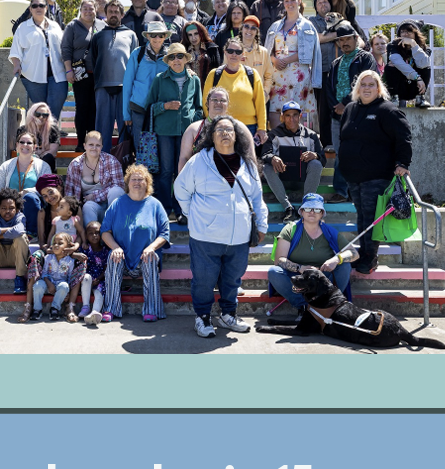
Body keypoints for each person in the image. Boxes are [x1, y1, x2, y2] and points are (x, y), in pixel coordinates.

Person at [174, 115, 268, 337]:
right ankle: (203, 318)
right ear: (211, 137)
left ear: (237, 136)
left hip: (239, 237)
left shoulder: (248, 164)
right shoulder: (198, 162)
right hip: (206, 236)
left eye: (229, 130)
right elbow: (181, 190)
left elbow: (257, 197)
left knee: (232, 279)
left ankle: (228, 315)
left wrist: (262, 224)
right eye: (219, 130)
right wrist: (194, 215)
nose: (225, 133)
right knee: (204, 280)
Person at [336, 69, 412, 275]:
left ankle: (370, 258)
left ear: (379, 88)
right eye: (363, 84)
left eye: (371, 84)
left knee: (371, 218)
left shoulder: (387, 110)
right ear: (357, 88)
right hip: (354, 175)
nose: (367, 88)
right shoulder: (350, 109)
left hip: (377, 175)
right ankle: (363, 254)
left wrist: (403, 163)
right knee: (361, 217)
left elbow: (404, 137)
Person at [267, 192, 358, 322]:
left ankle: (331, 305)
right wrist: (300, 268)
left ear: (322, 213)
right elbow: (279, 260)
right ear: (302, 211)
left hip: (323, 279)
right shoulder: (290, 229)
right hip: (299, 279)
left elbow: (354, 253)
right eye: (308, 208)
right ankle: (304, 307)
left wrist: (337, 259)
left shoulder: (329, 231)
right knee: (274, 272)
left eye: (316, 209)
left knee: (344, 265)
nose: (312, 212)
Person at [101, 164, 171, 322]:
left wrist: (152, 247)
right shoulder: (118, 204)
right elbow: (105, 231)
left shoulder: (155, 205)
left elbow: (165, 233)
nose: (137, 182)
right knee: (113, 256)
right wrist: (115, 247)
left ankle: (152, 309)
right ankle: (111, 308)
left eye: (141, 179)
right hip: (123, 257)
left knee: (151, 257)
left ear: (147, 183)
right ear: (128, 182)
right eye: (134, 179)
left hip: (144, 258)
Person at [146, 42, 204, 219]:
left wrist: (192, 121)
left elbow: (199, 108)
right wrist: (165, 106)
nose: (176, 60)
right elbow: (149, 107)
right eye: (172, 57)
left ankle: (181, 210)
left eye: (179, 56)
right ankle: (165, 208)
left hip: (186, 133)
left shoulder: (194, 79)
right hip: (164, 131)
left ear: (186, 59)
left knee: (183, 171)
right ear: (168, 61)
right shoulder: (159, 79)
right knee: (166, 170)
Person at [326, 23, 379, 201]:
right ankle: (341, 191)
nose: (344, 43)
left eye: (348, 38)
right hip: (337, 116)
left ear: (356, 39)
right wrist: (336, 107)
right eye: (341, 40)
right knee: (341, 154)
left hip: (359, 114)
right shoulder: (335, 63)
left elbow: (366, 85)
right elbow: (329, 89)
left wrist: (345, 104)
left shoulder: (366, 59)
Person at [264, 0, 322, 130]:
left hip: (299, 76)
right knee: (276, 110)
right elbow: (267, 51)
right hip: (278, 76)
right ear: (283, 3)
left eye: (293, 0)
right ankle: (278, 145)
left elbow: (311, 52)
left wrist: (288, 60)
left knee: (299, 113)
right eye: (286, 1)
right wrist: (274, 60)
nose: (290, 3)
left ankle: (301, 147)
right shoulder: (275, 26)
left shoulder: (307, 25)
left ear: (299, 1)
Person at [89, 0, 139, 149]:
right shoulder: (97, 36)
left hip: (124, 87)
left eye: (116, 12)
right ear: (105, 13)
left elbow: (135, 60)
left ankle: (122, 160)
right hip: (103, 86)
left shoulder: (131, 35)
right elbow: (93, 59)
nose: (113, 14)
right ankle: (102, 161)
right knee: (102, 128)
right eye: (110, 12)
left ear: (122, 14)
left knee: (125, 126)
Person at [262, 100, 325, 218]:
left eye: (295, 115)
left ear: (300, 116)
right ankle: (288, 207)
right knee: (267, 167)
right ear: (282, 117)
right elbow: (265, 154)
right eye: (288, 115)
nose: (292, 119)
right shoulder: (274, 134)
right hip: (281, 182)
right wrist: (272, 158)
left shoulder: (311, 135)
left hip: (304, 182)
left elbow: (323, 159)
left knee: (316, 164)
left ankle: (306, 204)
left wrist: (315, 155)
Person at [9, 0, 67, 120]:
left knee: (54, 109)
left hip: (57, 74)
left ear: (46, 8)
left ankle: (51, 134)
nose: (38, 8)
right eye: (34, 6)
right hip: (33, 76)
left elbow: (64, 48)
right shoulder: (23, 28)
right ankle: (42, 136)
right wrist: (16, 65)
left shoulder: (55, 26)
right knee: (40, 110)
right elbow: (15, 51)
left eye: (41, 5)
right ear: (30, 9)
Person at [203, 38, 268, 143]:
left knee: (247, 159)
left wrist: (262, 128)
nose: (234, 54)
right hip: (221, 126)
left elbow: (260, 103)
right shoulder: (214, 74)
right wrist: (212, 123)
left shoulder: (252, 74)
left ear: (242, 55)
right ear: (225, 52)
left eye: (238, 52)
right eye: (230, 51)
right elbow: (206, 103)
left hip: (248, 127)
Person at [61, 0, 104, 151]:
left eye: (91, 8)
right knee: (82, 108)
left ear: (96, 10)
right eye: (85, 8)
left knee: (95, 109)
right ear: (80, 10)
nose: (88, 11)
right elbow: (66, 48)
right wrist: (68, 70)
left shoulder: (101, 25)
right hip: (80, 74)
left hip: (98, 74)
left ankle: (92, 143)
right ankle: (80, 143)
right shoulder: (72, 26)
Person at [122, 19, 169, 153]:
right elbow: (127, 84)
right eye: (153, 35)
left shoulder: (170, 56)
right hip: (139, 108)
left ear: (165, 36)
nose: (157, 38)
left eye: (160, 35)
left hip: (162, 108)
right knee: (140, 148)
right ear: (147, 36)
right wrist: (126, 114)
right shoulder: (137, 54)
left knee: (161, 148)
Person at [0, 128, 47, 245]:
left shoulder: (43, 166)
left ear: (35, 147)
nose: (25, 145)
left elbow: (46, 188)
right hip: (9, 205)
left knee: (30, 198)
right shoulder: (5, 166)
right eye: (22, 142)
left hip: (33, 205)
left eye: (29, 143)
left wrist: (26, 192)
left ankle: (32, 234)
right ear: (17, 145)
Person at [63, 129, 125, 227]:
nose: (94, 148)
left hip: (110, 204)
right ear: (84, 146)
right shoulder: (75, 164)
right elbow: (69, 193)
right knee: (88, 206)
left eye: (98, 145)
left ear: (102, 147)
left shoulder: (111, 161)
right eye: (91, 144)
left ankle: (115, 231)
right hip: (90, 206)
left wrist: (94, 195)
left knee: (116, 191)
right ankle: (92, 238)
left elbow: (119, 186)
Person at [23, 232, 80, 322]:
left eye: (60, 243)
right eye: (54, 243)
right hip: (47, 282)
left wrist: (67, 292)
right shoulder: (48, 257)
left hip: (60, 283)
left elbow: (70, 277)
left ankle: (54, 308)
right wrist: (49, 283)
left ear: (68, 246)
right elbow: (44, 273)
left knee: (64, 286)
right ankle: (37, 309)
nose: (56, 245)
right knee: (37, 285)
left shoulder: (70, 261)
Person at [178, 85, 231, 170]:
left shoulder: (236, 129)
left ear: (227, 104)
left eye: (222, 100)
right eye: (214, 100)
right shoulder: (193, 129)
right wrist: (183, 182)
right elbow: (184, 158)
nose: (218, 103)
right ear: (207, 103)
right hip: (199, 179)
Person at [312, 0, 342, 147]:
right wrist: (337, 34)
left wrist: (335, 33)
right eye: (319, 3)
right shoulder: (312, 21)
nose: (323, 4)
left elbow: (351, 37)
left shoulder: (339, 18)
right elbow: (317, 38)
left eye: (325, 2)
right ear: (316, 7)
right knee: (323, 109)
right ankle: (326, 144)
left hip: (340, 70)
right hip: (322, 70)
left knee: (339, 106)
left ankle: (340, 142)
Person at [386, 22, 431, 108]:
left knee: (426, 67)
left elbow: (423, 63)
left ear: (415, 33)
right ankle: (394, 98)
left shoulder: (425, 48)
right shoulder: (393, 46)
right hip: (400, 85)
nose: (405, 34)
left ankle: (420, 97)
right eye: (402, 31)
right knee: (391, 66)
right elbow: (397, 62)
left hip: (415, 87)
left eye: (409, 31)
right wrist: (417, 77)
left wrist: (413, 44)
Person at [238, 15, 275, 102]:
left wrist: (265, 92)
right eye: (246, 26)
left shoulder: (264, 52)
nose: (249, 30)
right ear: (242, 28)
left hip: (258, 99)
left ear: (256, 32)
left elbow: (269, 76)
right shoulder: (232, 50)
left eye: (253, 28)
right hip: (237, 98)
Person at [78, 221, 109, 324]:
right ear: (86, 235)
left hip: (99, 280)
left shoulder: (105, 251)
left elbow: (106, 268)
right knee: (86, 277)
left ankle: (95, 312)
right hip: (86, 280)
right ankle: (85, 307)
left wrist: (99, 278)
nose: (94, 235)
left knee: (99, 292)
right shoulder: (84, 249)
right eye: (90, 233)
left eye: (97, 233)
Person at [23, 102, 60, 169]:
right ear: (32, 114)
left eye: (45, 115)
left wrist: (40, 156)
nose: (41, 117)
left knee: (48, 157)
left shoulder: (53, 129)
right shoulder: (23, 130)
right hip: (28, 159)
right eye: (38, 114)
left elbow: (53, 150)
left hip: (45, 160)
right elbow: (21, 148)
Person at [183, 19, 218, 86]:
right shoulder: (183, 50)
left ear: (201, 33)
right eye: (190, 35)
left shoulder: (211, 48)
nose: (193, 38)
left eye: (196, 33)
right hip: (188, 88)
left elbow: (217, 70)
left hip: (208, 87)